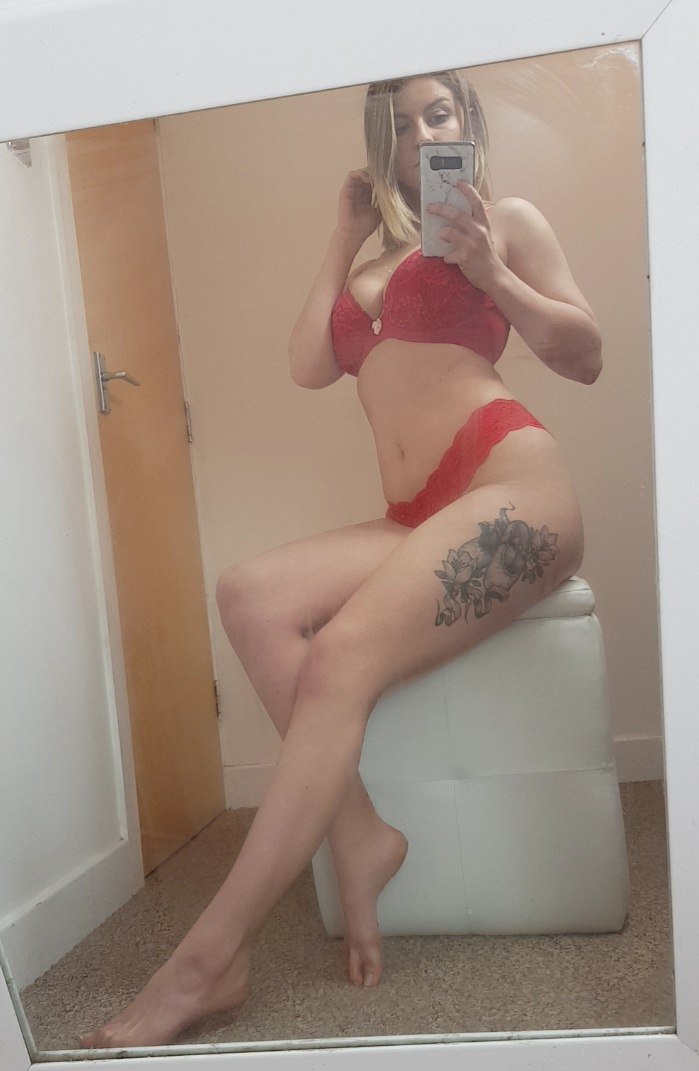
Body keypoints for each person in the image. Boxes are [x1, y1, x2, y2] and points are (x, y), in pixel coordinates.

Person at [82, 69, 601, 1049]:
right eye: (399, 126)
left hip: (511, 483)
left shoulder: (505, 221)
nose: (422, 136)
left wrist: (492, 269)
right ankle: (359, 835)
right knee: (249, 595)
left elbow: (585, 354)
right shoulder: (374, 255)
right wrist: (342, 233)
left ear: (467, 120)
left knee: (340, 656)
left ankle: (207, 959)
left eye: (437, 114)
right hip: (415, 511)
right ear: (380, 146)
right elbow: (308, 364)